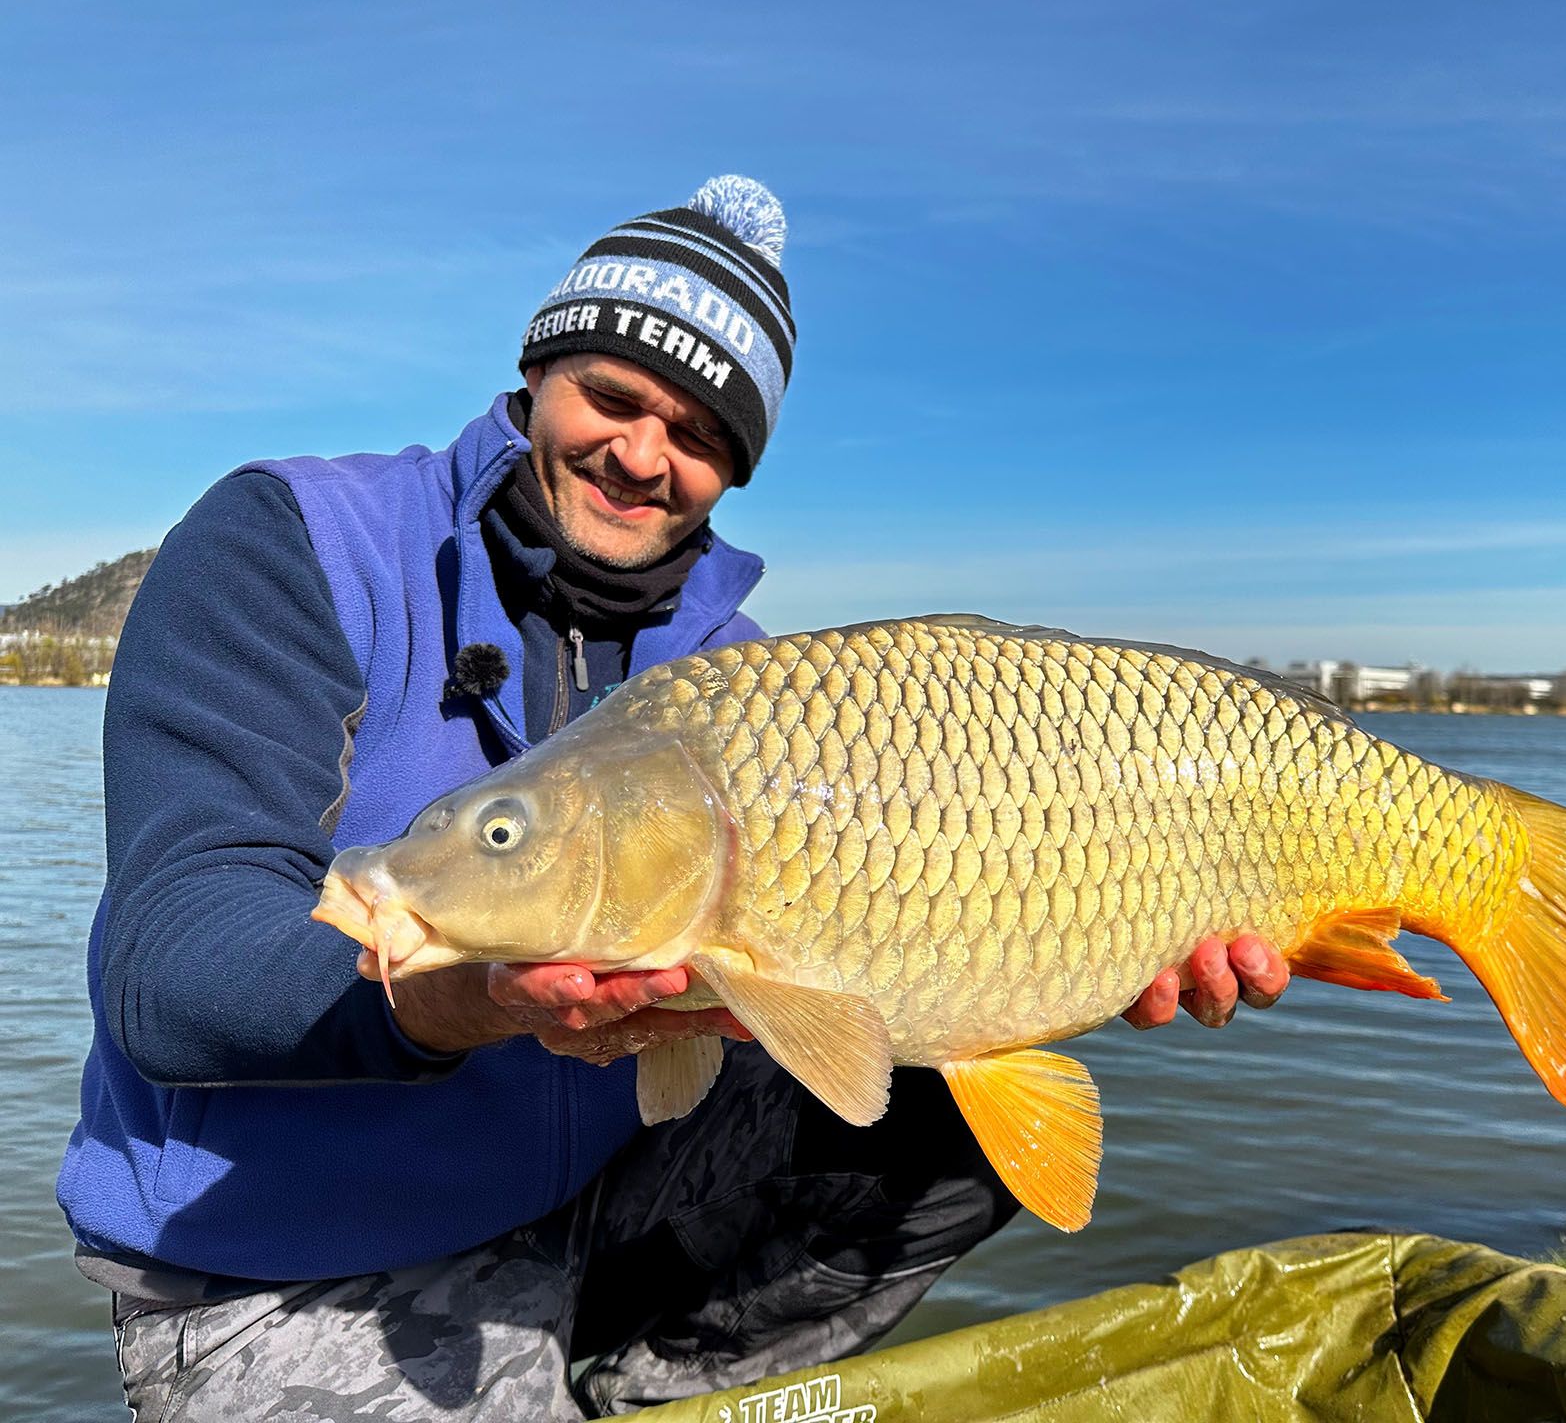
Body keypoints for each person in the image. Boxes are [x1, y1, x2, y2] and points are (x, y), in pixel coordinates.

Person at [57, 176, 1291, 1421]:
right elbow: (173, 967)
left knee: (941, 1114)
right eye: (612, 397)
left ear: (736, 467)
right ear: (539, 373)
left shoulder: (738, 672)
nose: (643, 456)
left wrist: (1091, 944)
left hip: (596, 1200)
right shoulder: (303, 541)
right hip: (284, 1255)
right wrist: (462, 1000)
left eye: (699, 433)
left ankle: (645, 1399)